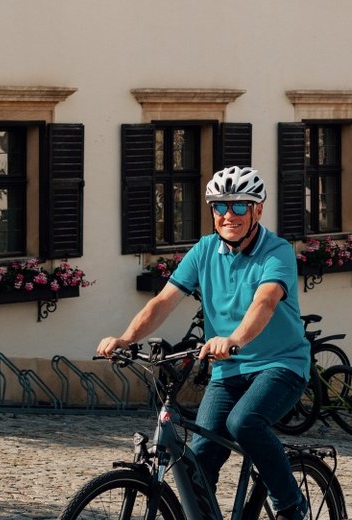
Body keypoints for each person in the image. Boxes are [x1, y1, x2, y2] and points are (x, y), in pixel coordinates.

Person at [97, 166, 311, 520]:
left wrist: (234, 339)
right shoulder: (205, 250)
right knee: (200, 457)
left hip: (281, 365)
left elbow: (266, 302)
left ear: (258, 210)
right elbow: (163, 301)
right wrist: (126, 338)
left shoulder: (277, 252)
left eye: (240, 206)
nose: (230, 215)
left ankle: (290, 504)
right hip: (229, 370)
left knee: (244, 422)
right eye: (221, 207)